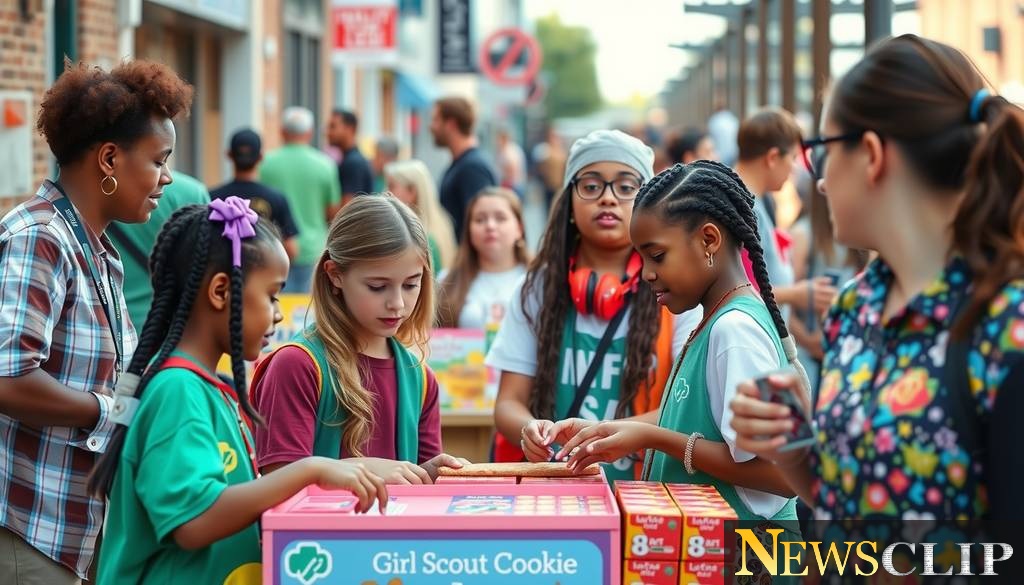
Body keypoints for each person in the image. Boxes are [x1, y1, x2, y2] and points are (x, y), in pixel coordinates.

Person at [730, 34, 1024, 522]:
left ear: (871, 154)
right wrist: (791, 448)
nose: (819, 180)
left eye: (821, 151)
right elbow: (846, 497)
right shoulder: (855, 304)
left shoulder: (1005, 328)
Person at [89, 200, 388, 584]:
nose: (278, 313)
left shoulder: (209, 390)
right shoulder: (177, 390)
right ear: (220, 291)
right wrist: (309, 469)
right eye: (272, 295)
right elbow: (193, 521)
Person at [0, 60, 191, 584]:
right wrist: (112, 414)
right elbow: (8, 378)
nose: (167, 178)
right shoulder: (40, 237)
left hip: (74, 534)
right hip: (28, 535)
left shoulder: (98, 250)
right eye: (159, 160)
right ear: (109, 158)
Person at [549, 161, 805, 531]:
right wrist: (614, 430)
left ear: (709, 240)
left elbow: (782, 473)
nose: (647, 273)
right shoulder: (718, 319)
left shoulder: (735, 331)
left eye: (657, 256)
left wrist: (656, 438)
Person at [487, 130, 702, 481]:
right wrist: (529, 430)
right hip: (558, 495)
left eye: (626, 187)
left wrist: (600, 434)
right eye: (590, 186)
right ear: (569, 199)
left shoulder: (675, 291)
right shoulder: (538, 288)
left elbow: (684, 410)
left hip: (646, 498)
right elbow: (508, 403)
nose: (607, 199)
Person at [251, 196, 466, 480]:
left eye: (411, 284)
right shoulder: (297, 365)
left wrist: (427, 474)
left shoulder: (421, 378)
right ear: (335, 274)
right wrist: (363, 470)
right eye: (378, 286)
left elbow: (420, 494)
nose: (398, 303)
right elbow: (277, 481)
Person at [734, 108, 838, 323]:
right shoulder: (744, 206)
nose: (794, 168)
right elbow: (739, 289)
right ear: (772, 157)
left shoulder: (752, 200)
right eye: (792, 158)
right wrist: (795, 294)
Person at [788, 172, 867, 390]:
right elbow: (781, 303)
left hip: (846, 352)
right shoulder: (803, 234)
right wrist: (808, 338)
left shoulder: (856, 233)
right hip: (810, 356)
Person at [111, 170, 210, 329]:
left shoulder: (95, 191)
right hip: (166, 332)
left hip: (108, 327)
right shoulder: (191, 192)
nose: (166, 178)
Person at [260, 106, 341, 293]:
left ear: (282, 131)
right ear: (310, 132)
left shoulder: (265, 163)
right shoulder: (325, 165)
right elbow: (332, 212)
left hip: (275, 248)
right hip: (314, 250)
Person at [437, 187, 531, 329]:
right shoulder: (446, 281)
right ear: (468, 230)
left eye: (500, 218)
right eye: (480, 219)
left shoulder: (538, 279)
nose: (490, 226)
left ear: (519, 228)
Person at [210, 128, 300, 261]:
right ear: (261, 157)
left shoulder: (213, 198)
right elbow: (291, 250)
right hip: (264, 271)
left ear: (229, 155)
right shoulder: (277, 198)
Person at [430, 97, 497, 239]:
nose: (431, 127)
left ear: (451, 124)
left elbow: (480, 222)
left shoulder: (472, 168)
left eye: (436, 120)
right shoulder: (463, 164)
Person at [384, 160, 457, 277]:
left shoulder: (422, 238)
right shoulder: (442, 224)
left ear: (412, 191)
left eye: (391, 186)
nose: (385, 192)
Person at [326, 109, 375, 205]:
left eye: (333, 126)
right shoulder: (352, 159)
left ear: (350, 129)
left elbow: (347, 208)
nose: (327, 132)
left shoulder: (353, 163)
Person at [495, 127, 527, 198]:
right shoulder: (513, 149)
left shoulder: (508, 151)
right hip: (515, 185)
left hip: (512, 187)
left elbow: (512, 170)